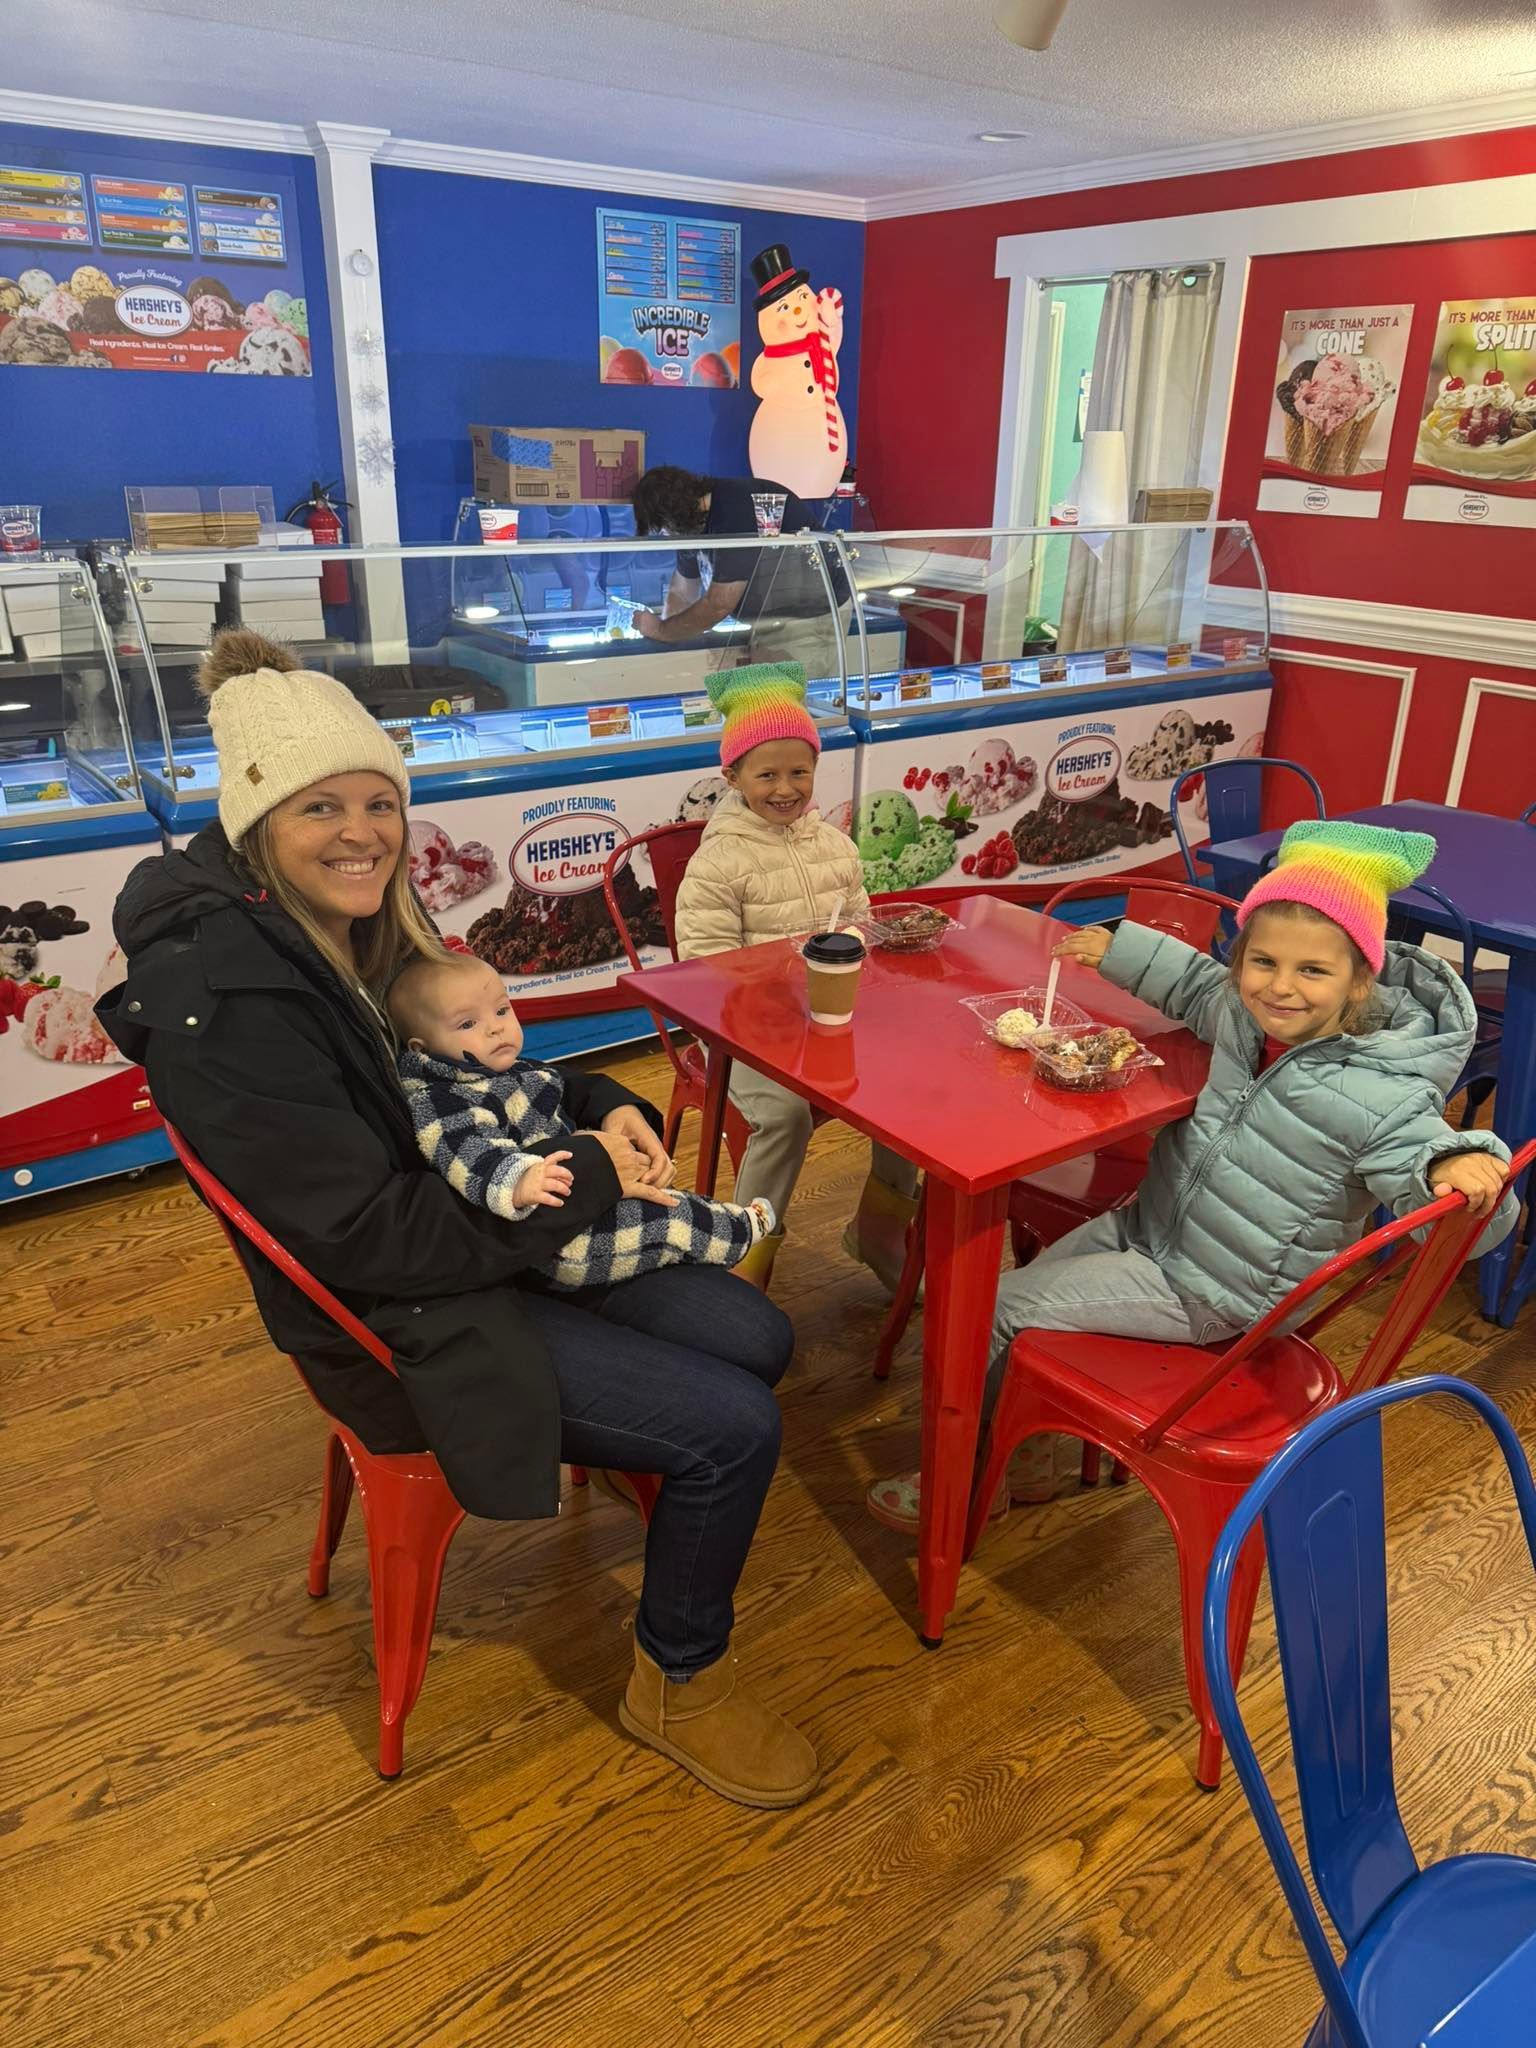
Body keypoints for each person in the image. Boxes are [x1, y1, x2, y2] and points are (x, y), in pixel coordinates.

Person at [96, 628, 818, 1811]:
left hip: (484, 1222)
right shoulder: (228, 998)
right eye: (321, 804)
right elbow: (371, 1240)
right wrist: (583, 1175)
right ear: (252, 821)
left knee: (757, 1334)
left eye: (380, 801)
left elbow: (466, 1056)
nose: (362, 831)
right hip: (398, 1314)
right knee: (736, 1423)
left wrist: (600, 1103)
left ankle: (659, 1506)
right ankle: (678, 1677)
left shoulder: (349, 915)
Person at [866, 820, 1518, 1534]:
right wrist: (1123, 950)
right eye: (1263, 962)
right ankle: (1024, 1463)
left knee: (994, 1309)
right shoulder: (1244, 1014)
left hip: (1220, 1291)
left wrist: (1457, 1165)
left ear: (1361, 981)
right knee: (1007, 1299)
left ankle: (964, 1490)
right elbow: (1195, 985)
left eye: (1313, 971)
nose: (1281, 988)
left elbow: (1423, 1158)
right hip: (1149, 1229)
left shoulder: (1384, 1091)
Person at [672, 661, 919, 1292]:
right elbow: (705, 966)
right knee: (784, 1115)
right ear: (733, 777)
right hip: (738, 1023)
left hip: (826, 1014)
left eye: (799, 772)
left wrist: (851, 944)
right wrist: (778, 976)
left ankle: (880, 1229)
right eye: (767, 774)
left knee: (904, 1083)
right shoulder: (719, 860)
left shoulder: (835, 845)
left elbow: (860, 919)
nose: (786, 788)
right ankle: (745, 1260)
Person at [389, 946, 777, 1289]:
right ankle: (739, 1232)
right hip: (556, 1243)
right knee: (669, 1220)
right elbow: (468, 1153)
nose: (495, 1027)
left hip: (578, 1202)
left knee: (662, 1199)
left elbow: (565, 1091)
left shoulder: (501, 1070)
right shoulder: (441, 1100)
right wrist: (519, 1177)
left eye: (502, 1009)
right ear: (423, 1048)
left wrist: (612, 1123)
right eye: (467, 1024)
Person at [627, 463, 851, 671]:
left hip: (807, 619)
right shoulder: (692, 523)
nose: (666, 536)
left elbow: (719, 604)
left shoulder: (734, 510)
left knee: (784, 707)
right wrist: (667, 631)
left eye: (665, 528)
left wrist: (661, 630)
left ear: (677, 516)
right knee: (759, 705)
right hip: (767, 620)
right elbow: (682, 589)